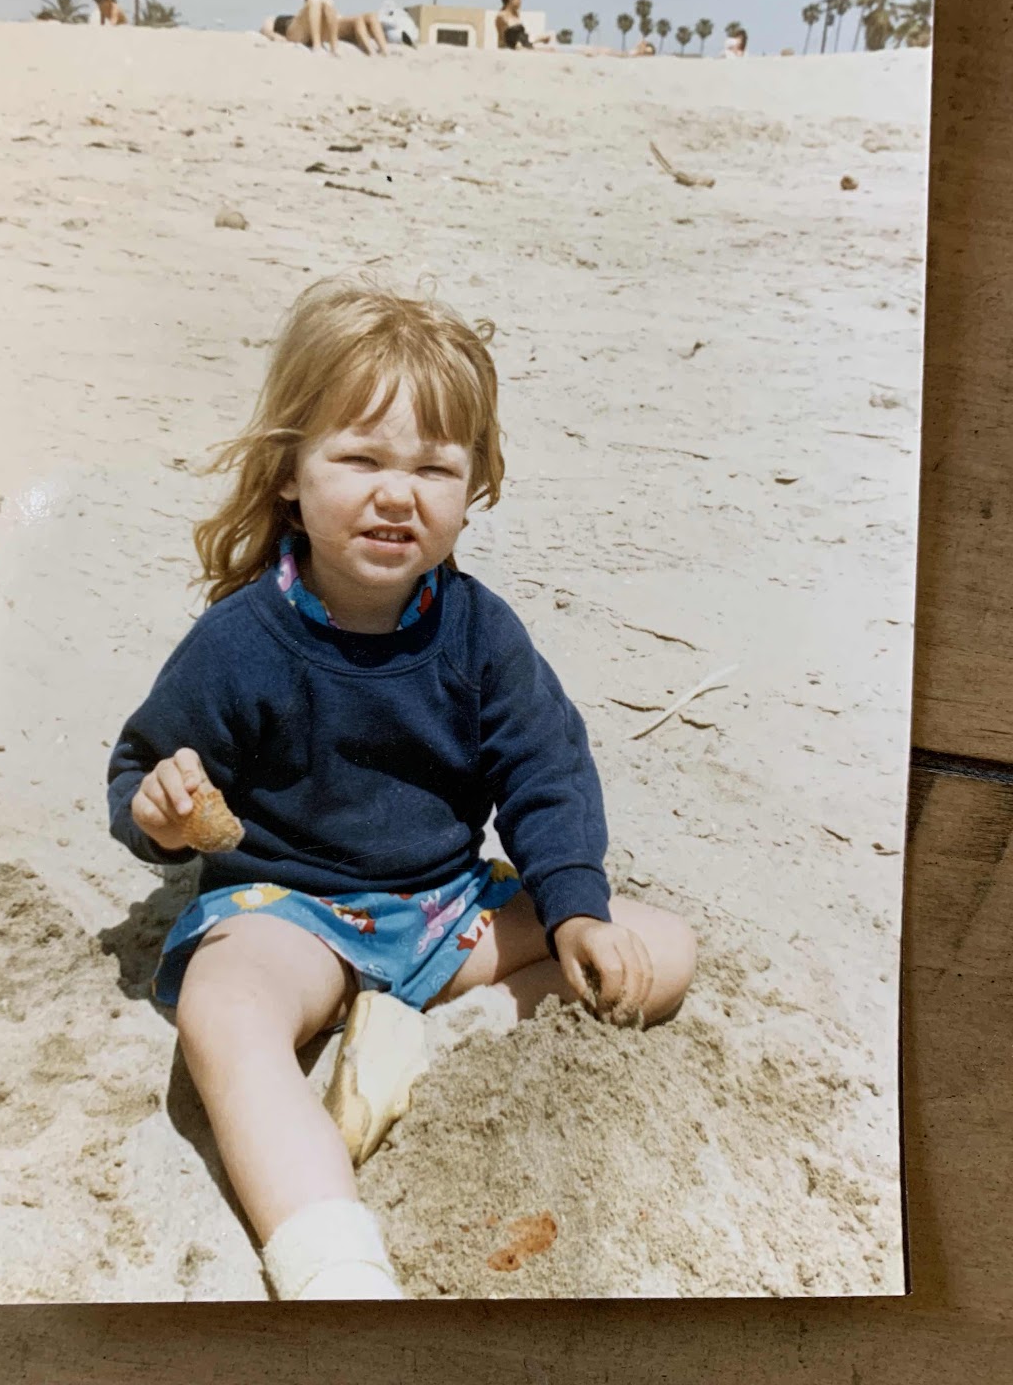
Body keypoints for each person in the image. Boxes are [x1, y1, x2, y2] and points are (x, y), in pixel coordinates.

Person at [107, 277, 698, 1301]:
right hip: (291, 912)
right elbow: (141, 769)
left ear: (474, 487)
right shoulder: (242, 642)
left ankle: (428, 1036)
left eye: (434, 468)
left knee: (661, 950)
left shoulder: (480, 633)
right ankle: (331, 1259)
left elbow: (546, 770)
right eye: (361, 460)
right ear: (290, 473)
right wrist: (160, 812)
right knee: (222, 1008)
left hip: (443, 911)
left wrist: (575, 910)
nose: (398, 494)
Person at [261, 0, 340, 54]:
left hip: (313, 31)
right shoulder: (274, 18)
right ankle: (317, 46)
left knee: (327, 0)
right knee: (314, 0)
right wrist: (275, 36)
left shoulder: (307, 16)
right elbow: (265, 29)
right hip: (294, 33)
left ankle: (334, 47)